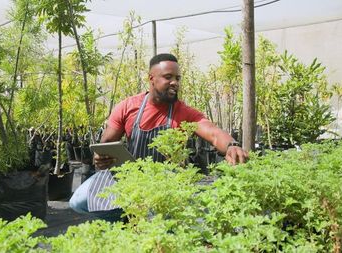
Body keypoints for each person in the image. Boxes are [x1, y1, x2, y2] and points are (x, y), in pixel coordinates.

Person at [69, 53, 248, 214]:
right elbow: (106, 144)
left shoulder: (184, 113)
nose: (175, 82)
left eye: (178, 78)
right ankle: (121, 220)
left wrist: (232, 146)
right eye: (168, 77)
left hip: (165, 183)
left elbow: (213, 132)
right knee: (79, 201)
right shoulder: (129, 107)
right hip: (129, 178)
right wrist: (100, 158)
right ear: (151, 78)